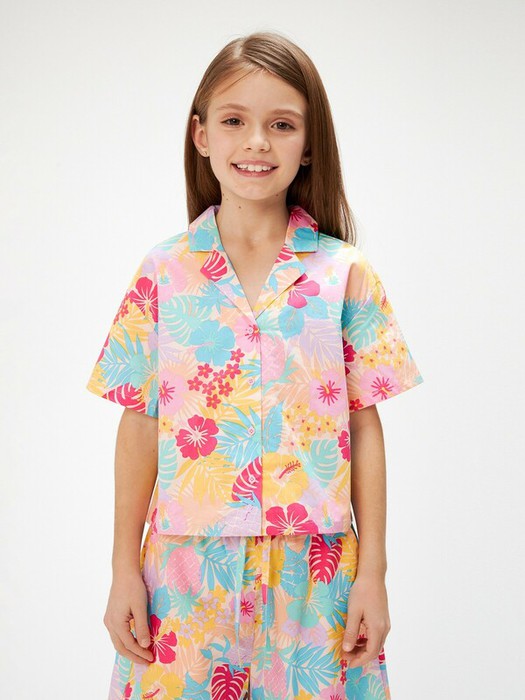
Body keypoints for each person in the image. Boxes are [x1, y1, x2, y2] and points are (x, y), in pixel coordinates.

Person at [86, 30, 423, 700]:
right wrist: (123, 568)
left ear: (308, 144)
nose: (258, 143)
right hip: (184, 574)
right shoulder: (163, 272)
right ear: (201, 135)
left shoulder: (343, 274)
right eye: (235, 121)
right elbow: (140, 424)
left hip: (316, 577)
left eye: (282, 125)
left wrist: (373, 574)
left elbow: (363, 427)